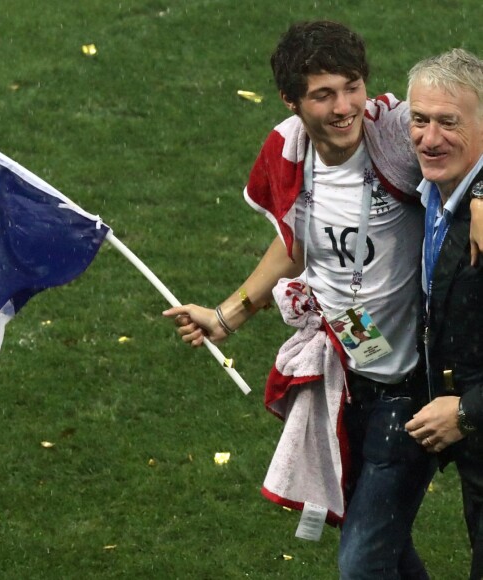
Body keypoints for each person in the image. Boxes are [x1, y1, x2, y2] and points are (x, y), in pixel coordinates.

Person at [164, 22, 483, 578]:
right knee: (384, 546)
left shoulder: (397, 133)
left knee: (361, 562)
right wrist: (227, 314)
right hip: (345, 380)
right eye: (323, 94)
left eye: (352, 86)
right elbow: (295, 241)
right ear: (291, 101)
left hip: (408, 390)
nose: (344, 107)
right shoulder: (286, 154)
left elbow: (463, 133)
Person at [404, 49, 483, 580]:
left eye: (448, 123)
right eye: (419, 120)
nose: (429, 139)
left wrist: (465, 412)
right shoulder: (440, 191)